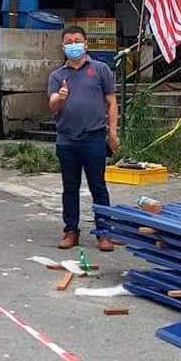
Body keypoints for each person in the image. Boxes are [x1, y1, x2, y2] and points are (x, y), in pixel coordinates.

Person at [48, 25, 119, 251]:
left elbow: (112, 102)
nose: (73, 45)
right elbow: (52, 105)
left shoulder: (100, 69)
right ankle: (71, 231)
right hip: (67, 139)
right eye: (68, 42)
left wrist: (113, 133)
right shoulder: (57, 76)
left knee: (98, 186)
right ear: (62, 46)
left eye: (77, 40)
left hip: (94, 137)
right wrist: (60, 97)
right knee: (70, 187)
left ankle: (104, 232)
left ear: (86, 43)